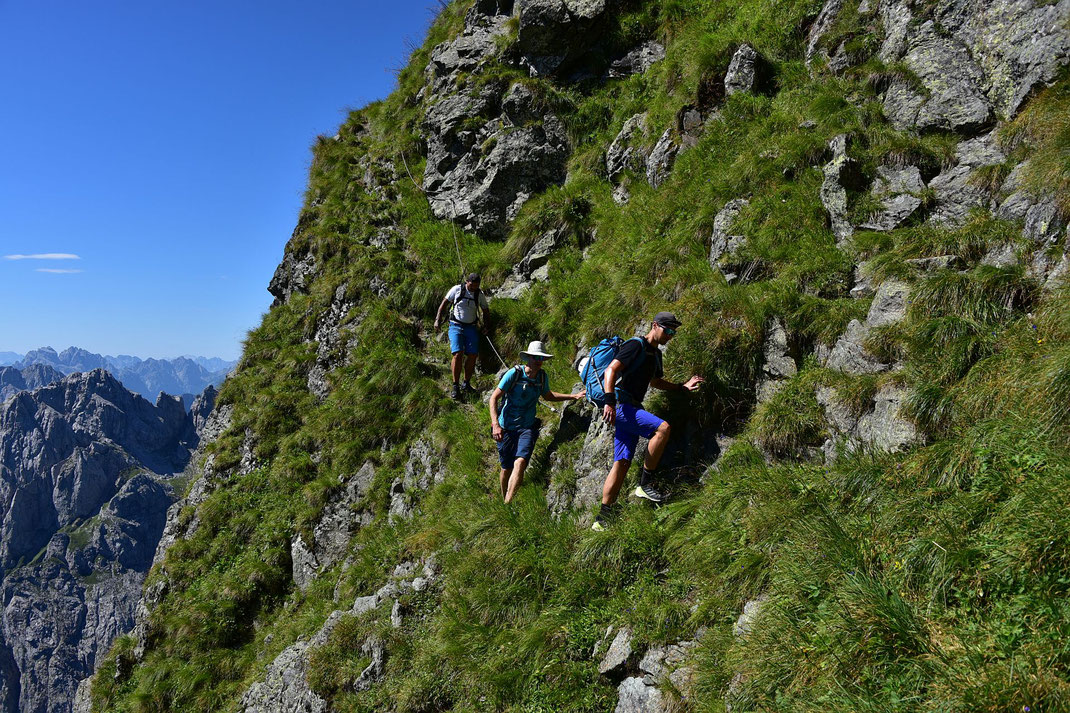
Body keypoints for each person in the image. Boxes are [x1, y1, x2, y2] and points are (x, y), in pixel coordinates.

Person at [592, 312, 704, 531]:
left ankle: (602, 519)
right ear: (655, 325)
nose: (670, 335)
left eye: (673, 332)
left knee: (622, 462)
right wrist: (609, 402)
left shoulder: (656, 355)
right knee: (663, 429)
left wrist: (682, 387)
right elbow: (611, 370)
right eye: (667, 330)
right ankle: (645, 483)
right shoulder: (635, 345)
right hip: (622, 406)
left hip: (631, 407)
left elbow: (655, 382)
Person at [489, 341, 584, 503]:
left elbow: (548, 396)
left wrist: (573, 396)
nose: (538, 361)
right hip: (506, 427)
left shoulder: (541, 376)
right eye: (535, 357)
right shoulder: (514, 374)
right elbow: (494, 398)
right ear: (528, 358)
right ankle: (503, 496)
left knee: (520, 462)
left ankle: (508, 503)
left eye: (541, 358)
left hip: (527, 427)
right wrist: (495, 424)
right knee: (506, 467)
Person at [434, 273, 491, 400]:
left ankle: (466, 383)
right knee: (458, 354)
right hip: (455, 325)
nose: (473, 288)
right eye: (472, 285)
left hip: (471, 327)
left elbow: (485, 310)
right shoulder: (456, 289)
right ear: (467, 282)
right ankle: (455, 386)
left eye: (476, 286)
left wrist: (487, 326)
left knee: (472, 355)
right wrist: (437, 320)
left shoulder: (479, 294)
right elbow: (443, 304)